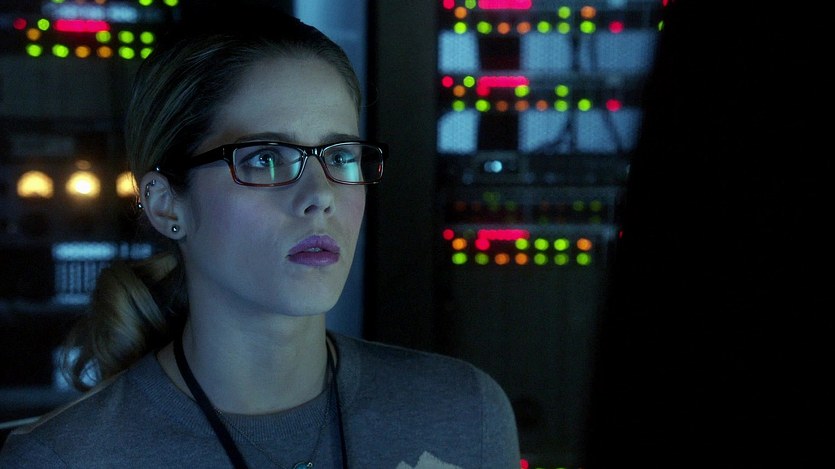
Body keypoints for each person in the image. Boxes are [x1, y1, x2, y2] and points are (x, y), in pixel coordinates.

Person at [0, 6, 520, 468]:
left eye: (340, 156)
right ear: (165, 203)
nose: (320, 196)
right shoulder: (66, 459)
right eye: (266, 159)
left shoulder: (464, 413)